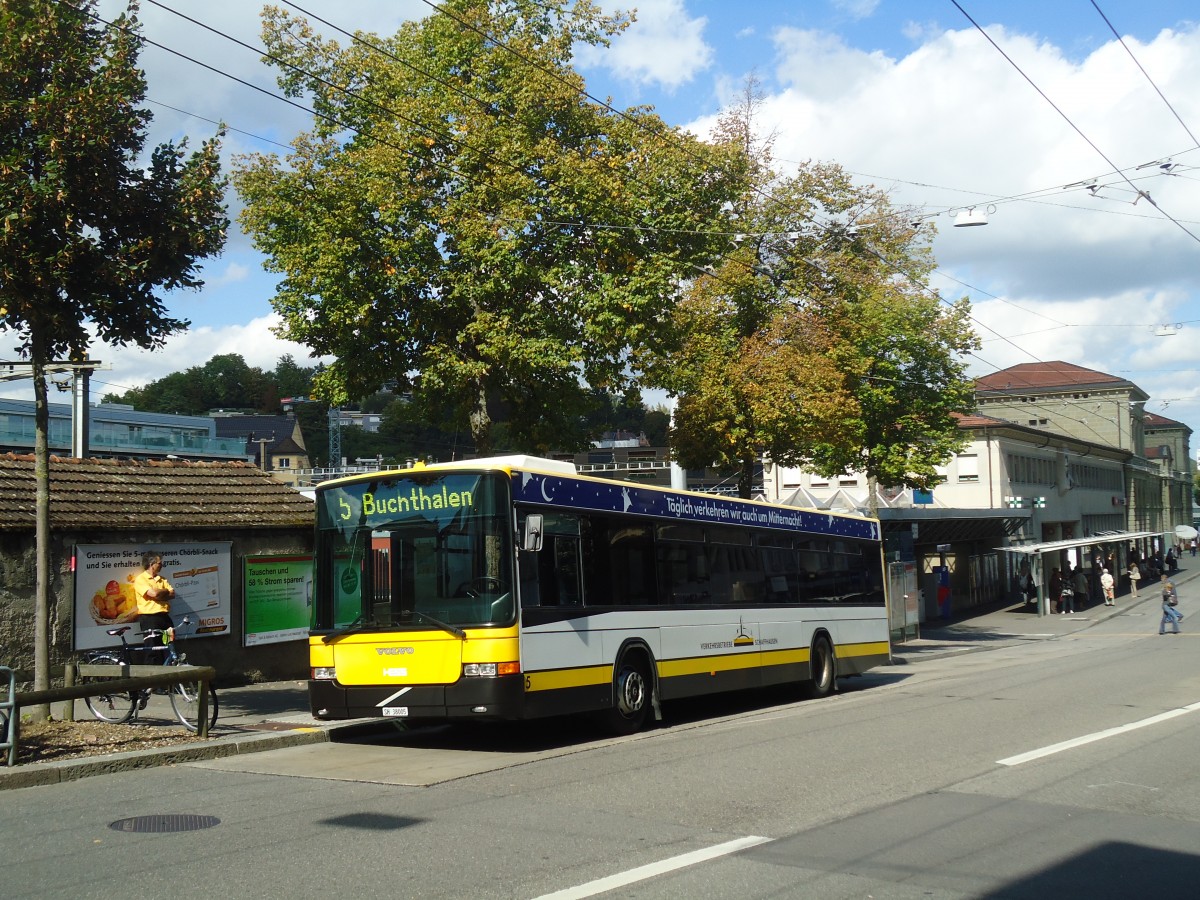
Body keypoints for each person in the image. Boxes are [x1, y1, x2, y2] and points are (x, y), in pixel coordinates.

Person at [134, 552, 175, 636]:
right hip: (149, 619)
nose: (162, 565)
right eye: (159, 563)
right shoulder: (141, 579)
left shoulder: (162, 579)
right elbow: (154, 594)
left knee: (170, 644)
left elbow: (172, 594)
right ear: (151, 564)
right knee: (153, 646)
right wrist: (166, 590)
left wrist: (160, 594)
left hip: (165, 617)